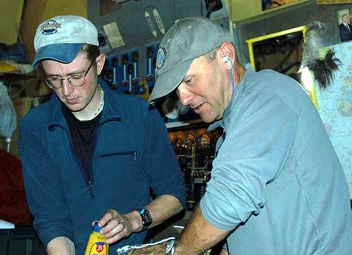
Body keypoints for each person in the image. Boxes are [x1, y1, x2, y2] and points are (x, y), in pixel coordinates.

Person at [149, 17, 352, 255]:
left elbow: (227, 200)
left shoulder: (265, 98)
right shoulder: (230, 129)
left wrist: (177, 251)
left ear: (226, 56)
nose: (183, 99)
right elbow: (238, 228)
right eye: (177, 90)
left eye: (189, 80)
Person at [18, 15, 186, 255]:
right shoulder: (35, 127)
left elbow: (174, 195)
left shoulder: (140, 115)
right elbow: (50, 216)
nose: (66, 91)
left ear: (99, 64)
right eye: (54, 79)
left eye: (76, 77)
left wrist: (132, 221)